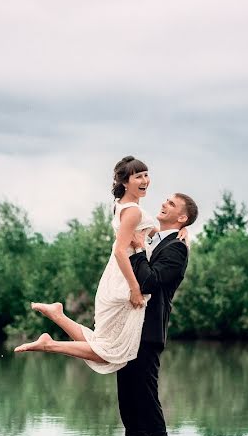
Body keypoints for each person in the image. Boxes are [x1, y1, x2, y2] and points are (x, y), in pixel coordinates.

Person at [13, 156, 186, 373]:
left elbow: (152, 235)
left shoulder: (121, 206)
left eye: (146, 175)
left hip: (117, 276)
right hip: (126, 278)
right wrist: (134, 289)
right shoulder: (133, 211)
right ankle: (50, 342)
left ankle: (57, 318)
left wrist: (183, 228)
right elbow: (119, 250)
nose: (145, 180)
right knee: (114, 350)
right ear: (125, 183)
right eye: (138, 176)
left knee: (108, 347)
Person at [117, 191, 197, 436]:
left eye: (171, 204)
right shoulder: (152, 236)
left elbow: (149, 282)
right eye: (165, 200)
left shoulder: (177, 248)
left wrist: (137, 252)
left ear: (182, 218)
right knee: (128, 396)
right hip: (130, 327)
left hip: (149, 330)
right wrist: (141, 244)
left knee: (147, 396)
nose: (164, 204)